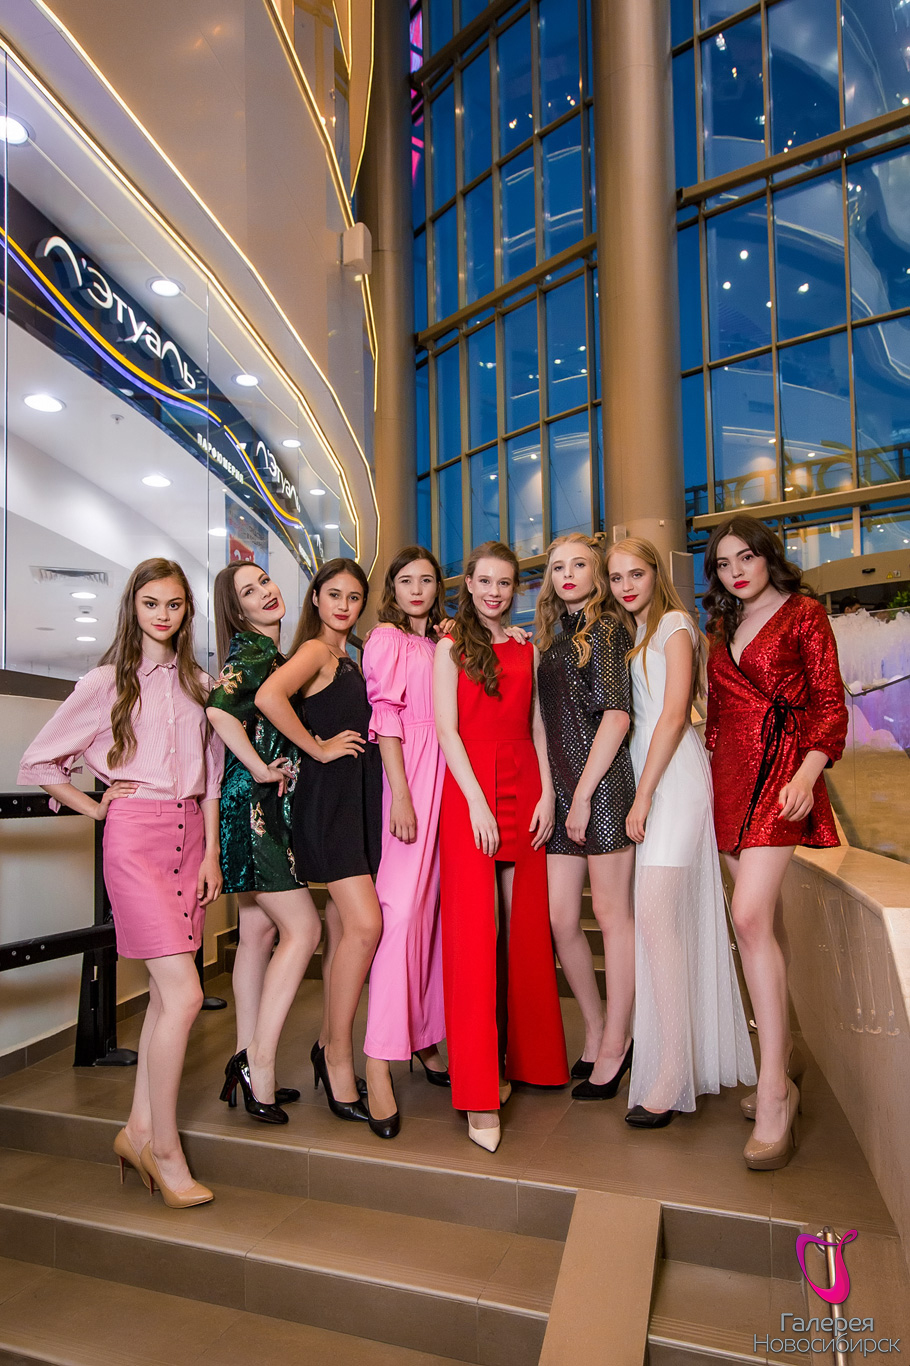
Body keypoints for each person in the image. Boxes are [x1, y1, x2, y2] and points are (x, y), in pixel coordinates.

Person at [18, 559, 223, 1208]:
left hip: (191, 841)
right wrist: (98, 806)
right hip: (135, 841)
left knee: (166, 997)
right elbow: (40, 759)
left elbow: (212, 778)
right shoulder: (106, 682)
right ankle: (164, 1149)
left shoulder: (200, 684)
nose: (163, 614)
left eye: (174, 604)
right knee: (186, 994)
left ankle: (136, 1132)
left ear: (187, 612)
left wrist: (213, 855)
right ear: (133, 607)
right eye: (151, 602)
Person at [703, 516, 847, 1169]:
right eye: (723, 562)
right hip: (729, 781)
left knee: (748, 917)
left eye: (746, 557)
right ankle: (782, 1056)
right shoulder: (721, 627)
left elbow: (829, 706)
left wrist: (807, 776)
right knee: (764, 925)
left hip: (783, 777)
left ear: (768, 557)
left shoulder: (804, 615)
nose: (736, 571)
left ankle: (774, 1093)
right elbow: (716, 716)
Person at [606, 539, 756, 1129]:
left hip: (672, 778)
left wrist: (643, 794)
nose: (625, 585)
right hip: (651, 774)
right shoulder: (634, 632)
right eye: (616, 577)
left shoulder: (672, 624)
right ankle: (677, 1057)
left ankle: (671, 1071)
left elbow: (673, 715)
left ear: (656, 574)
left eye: (635, 574)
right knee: (659, 923)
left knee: (655, 914)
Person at [434, 541, 569, 1153]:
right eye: (484, 581)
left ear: (517, 587)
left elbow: (537, 723)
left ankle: (523, 1061)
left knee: (524, 932)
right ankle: (478, 1092)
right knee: (476, 937)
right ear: (468, 583)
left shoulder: (525, 647)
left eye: (505, 583)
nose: (494, 592)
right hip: (471, 791)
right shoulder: (448, 647)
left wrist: (548, 794)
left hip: (525, 783)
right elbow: (447, 731)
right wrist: (477, 804)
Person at [256, 558, 387, 1134]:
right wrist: (317, 747)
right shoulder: (314, 651)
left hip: (356, 803)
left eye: (354, 597)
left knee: (341, 935)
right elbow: (269, 697)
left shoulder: (347, 656)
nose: (344, 606)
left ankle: (326, 1044)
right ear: (316, 598)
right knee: (366, 926)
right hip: (329, 804)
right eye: (334, 594)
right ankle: (337, 1057)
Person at [206, 562, 323, 1124]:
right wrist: (258, 768)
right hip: (254, 807)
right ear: (238, 610)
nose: (265, 593)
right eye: (249, 592)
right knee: (305, 928)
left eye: (265, 582)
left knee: (256, 933)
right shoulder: (253, 652)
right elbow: (217, 709)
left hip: (253, 805)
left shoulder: (273, 654)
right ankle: (260, 1065)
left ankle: (242, 1058)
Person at [535, 534, 637, 1099]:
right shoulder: (555, 638)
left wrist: (581, 796)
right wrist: (558, 795)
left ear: (597, 574)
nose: (568, 574)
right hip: (565, 792)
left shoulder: (607, 629)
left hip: (602, 789)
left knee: (611, 916)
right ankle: (596, 1028)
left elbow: (617, 718)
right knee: (560, 920)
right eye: (558, 567)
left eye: (579, 565)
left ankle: (619, 1041)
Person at [360, 547, 449, 1125]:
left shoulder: (440, 640)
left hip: (447, 774)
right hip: (410, 774)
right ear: (392, 587)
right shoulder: (386, 638)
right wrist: (401, 794)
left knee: (432, 916)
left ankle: (424, 1036)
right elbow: (386, 717)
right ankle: (377, 1059)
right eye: (406, 580)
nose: (417, 589)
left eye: (427, 580)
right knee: (400, 914)